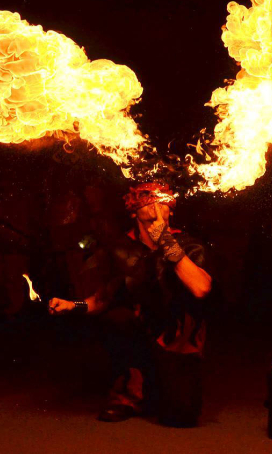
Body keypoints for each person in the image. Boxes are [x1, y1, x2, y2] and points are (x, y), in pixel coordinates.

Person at [50, 181, 213, 426]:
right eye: (148, 200)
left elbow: (201, 288)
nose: (157, 206)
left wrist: (166, 241)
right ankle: (128, 394)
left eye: (162, 201)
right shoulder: (119, 248)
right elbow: (103, 299)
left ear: (171, 210)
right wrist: (72, 305)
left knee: (180, 416)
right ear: (133, 211)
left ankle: (159, 389)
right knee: (117, 319)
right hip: (140, 329)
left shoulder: (189, 244)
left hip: (177, 337)